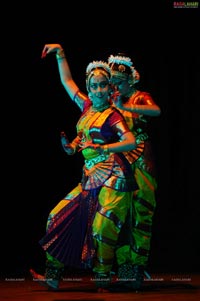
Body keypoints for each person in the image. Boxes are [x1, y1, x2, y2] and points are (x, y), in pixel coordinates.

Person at [30, 45, 138, 292]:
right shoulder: (87, 107)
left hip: (115, 177)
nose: (98, 90)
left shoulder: (113, 116)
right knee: (57, 216)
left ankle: (103, 280)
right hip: (89, 178)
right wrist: (61, 54)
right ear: (89, 89)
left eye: (103, 85)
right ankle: (53, 276)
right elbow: (67, 81)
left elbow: (130, 141)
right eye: (93, 86)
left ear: (110, 88)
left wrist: (105, 149)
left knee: (102, 228)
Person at [107, 53, 161, 290]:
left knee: (141, 215)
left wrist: (125, 106)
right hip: (118, 164)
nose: (115, 86)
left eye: (119, 81)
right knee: (119, 217)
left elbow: (156, 111)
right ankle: (125, 271)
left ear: (130, 80)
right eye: (113, 82)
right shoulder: (109, 99)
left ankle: (138, 270)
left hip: (141, 164)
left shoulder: (140, 97)